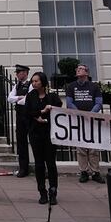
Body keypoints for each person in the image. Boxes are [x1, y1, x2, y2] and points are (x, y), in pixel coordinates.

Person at [25, 71, 62, 205]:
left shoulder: (52, 97)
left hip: (49, 133)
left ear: (43, 82)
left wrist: (50, 108)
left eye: (36, 81)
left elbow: (59, 109)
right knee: (39, 164)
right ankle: (42, 192)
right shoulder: (30, 96)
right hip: (35, 133)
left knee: (51, 164)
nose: (34, 83)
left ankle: (53, 191)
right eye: (33, 81)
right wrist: (40, 113)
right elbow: (27, 112)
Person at [65, 64, 104, 183]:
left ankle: (95, 171)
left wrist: (90, 114)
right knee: (81, 147)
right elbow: (69, 102)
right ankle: (83, 171)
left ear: (87, 73)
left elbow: (98, 102)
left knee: (93, 147)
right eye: (77, 69)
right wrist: (80, 114)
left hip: (91, 120)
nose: (78, 70)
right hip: (78, 120)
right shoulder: (71, 86)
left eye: (81, 69)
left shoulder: (94, 86)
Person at [7, 64, 32, 178]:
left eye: (19, 72)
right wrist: (19, 98)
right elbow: (10, 98)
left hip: (30, 116)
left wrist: (20, 99)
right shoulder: (17, 86)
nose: (17, 74)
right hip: (20, 116)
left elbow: (28, 99)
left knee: (35, 142)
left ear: (25, 73)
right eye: (17, 72)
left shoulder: (31, 84)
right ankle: (23, 168)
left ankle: (41, 166)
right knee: (21, 143)